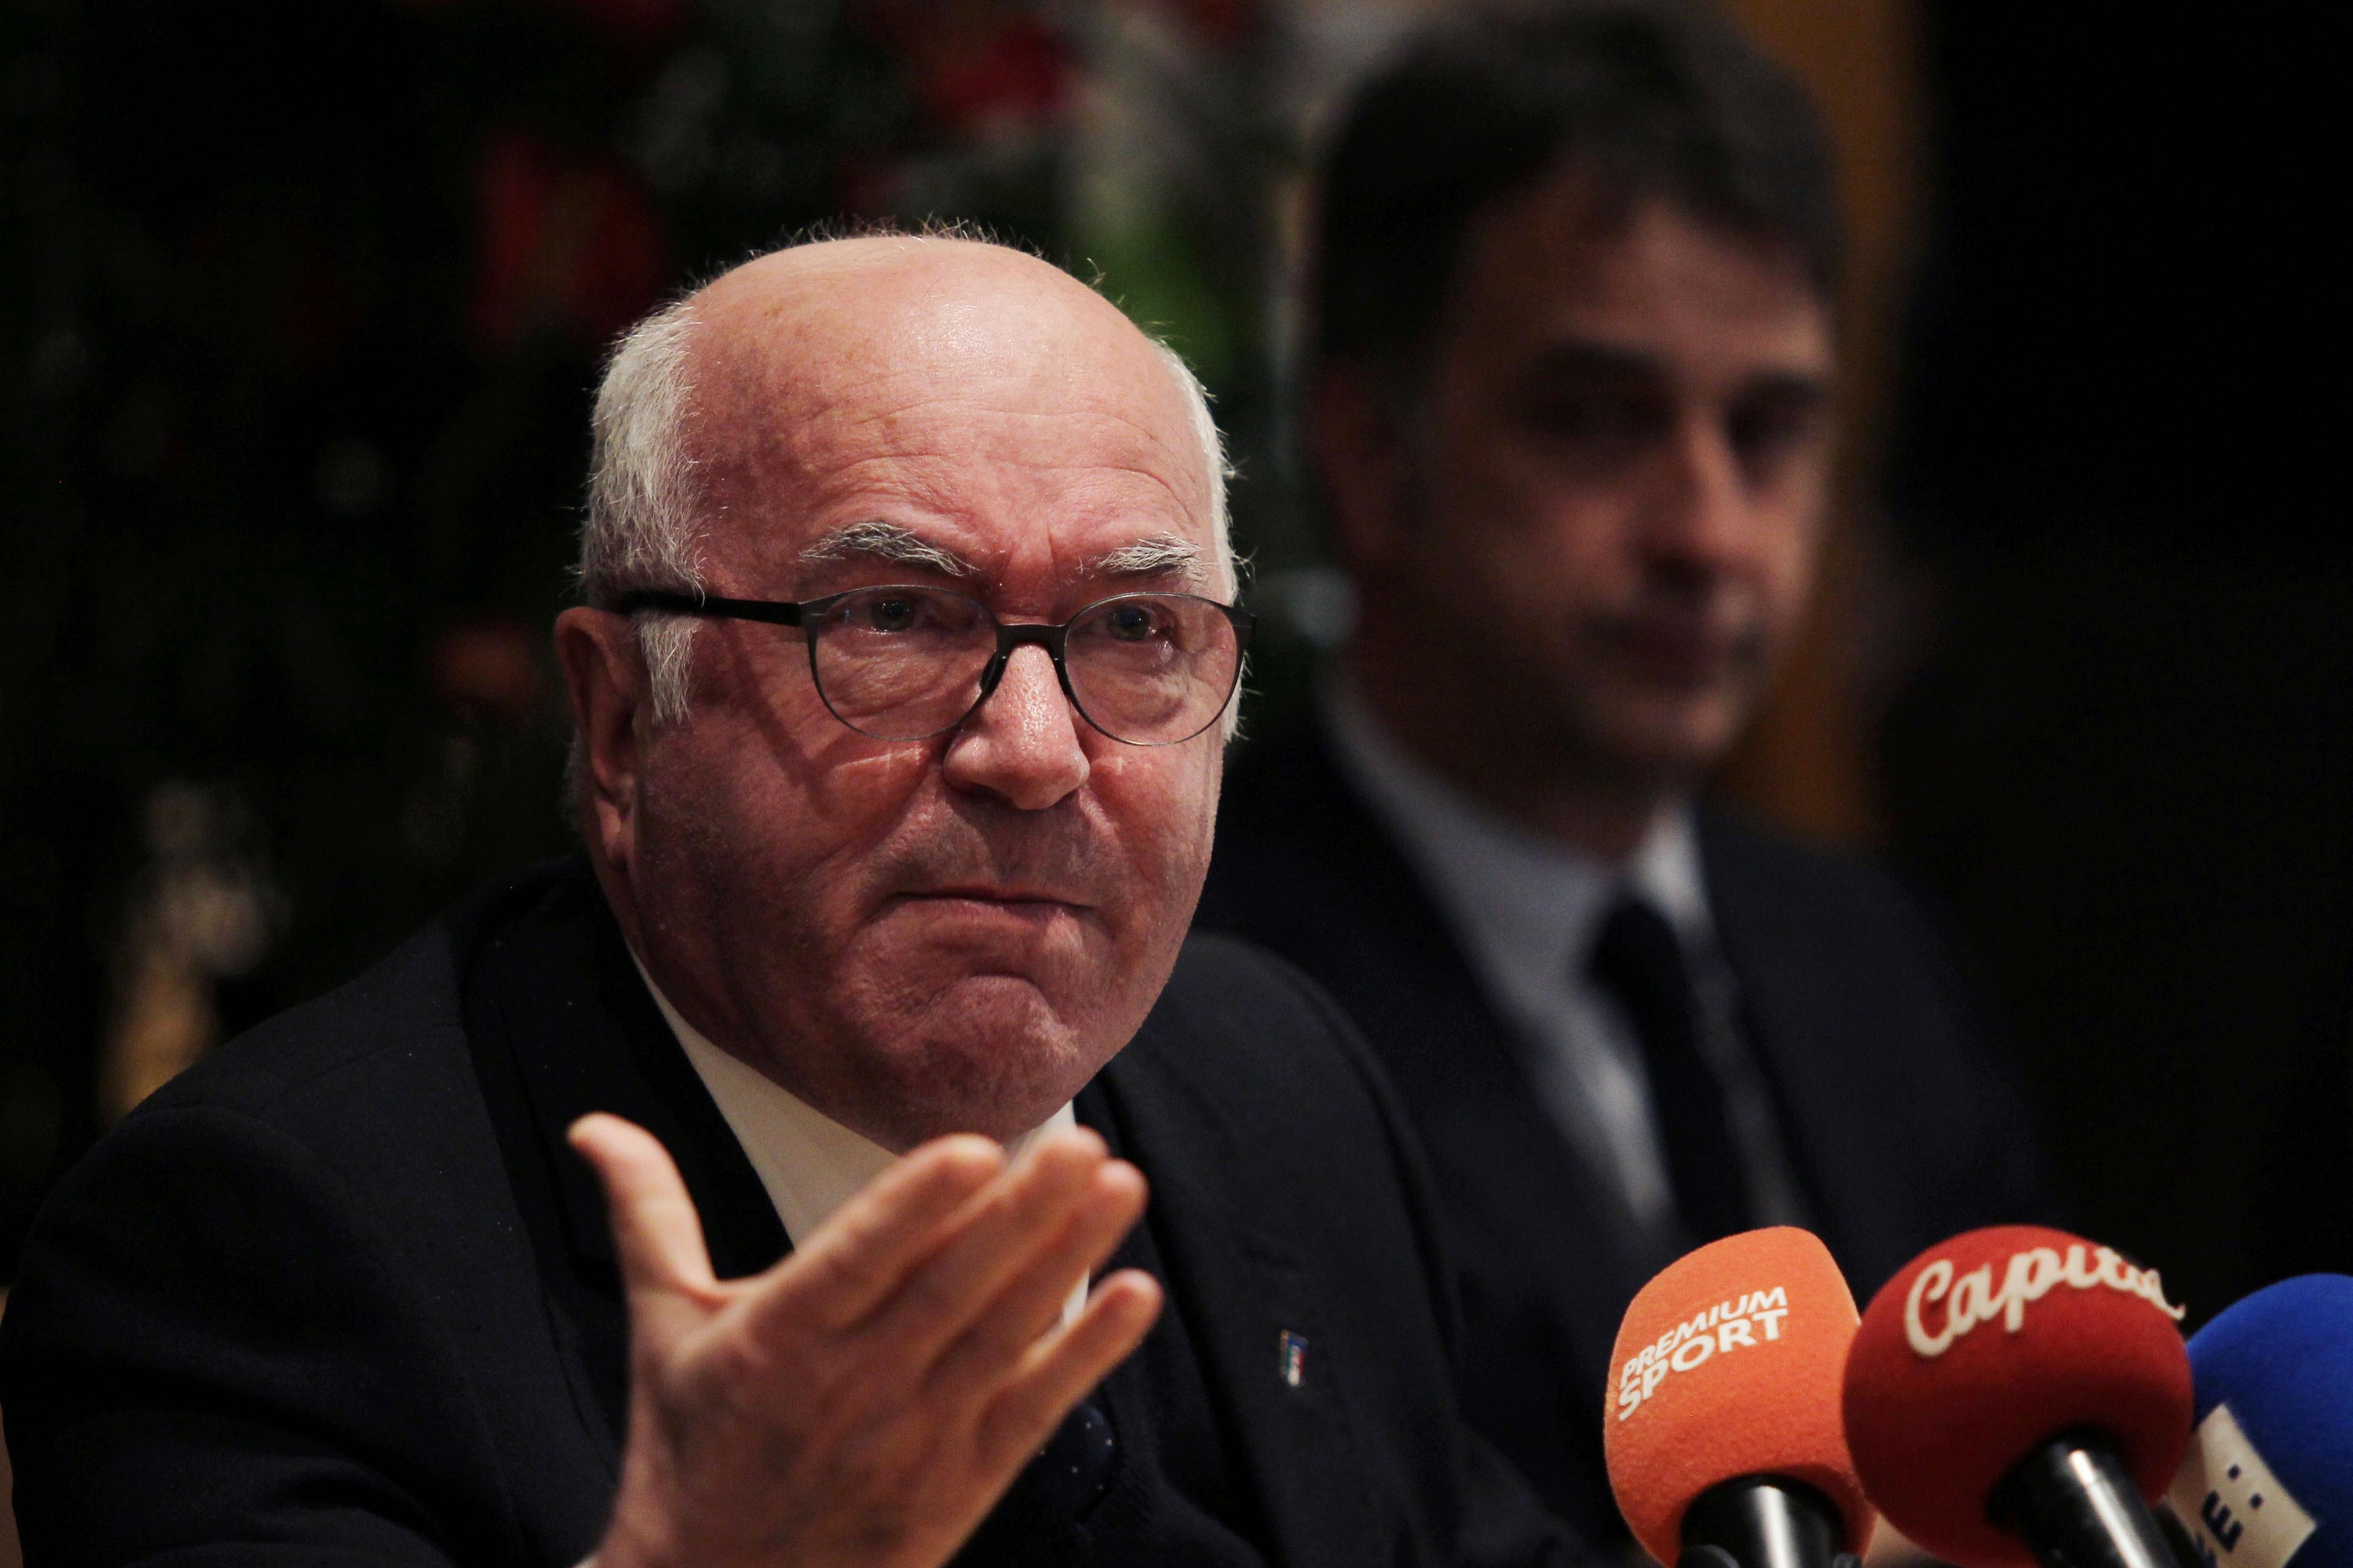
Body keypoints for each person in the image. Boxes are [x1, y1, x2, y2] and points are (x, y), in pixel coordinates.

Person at [0, 237, 1591, 1567]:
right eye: (893, 617)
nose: (1033, 751)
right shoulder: (262, 1258)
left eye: (1131, 628)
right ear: (620, 719)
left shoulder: (1273, 1083)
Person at [1195, 0, 2058, 1548]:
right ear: (1372, 454)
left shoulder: (1877, 964)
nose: (1711, 534)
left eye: (1770, 429)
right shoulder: (1199, 1008)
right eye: (1597, 422)